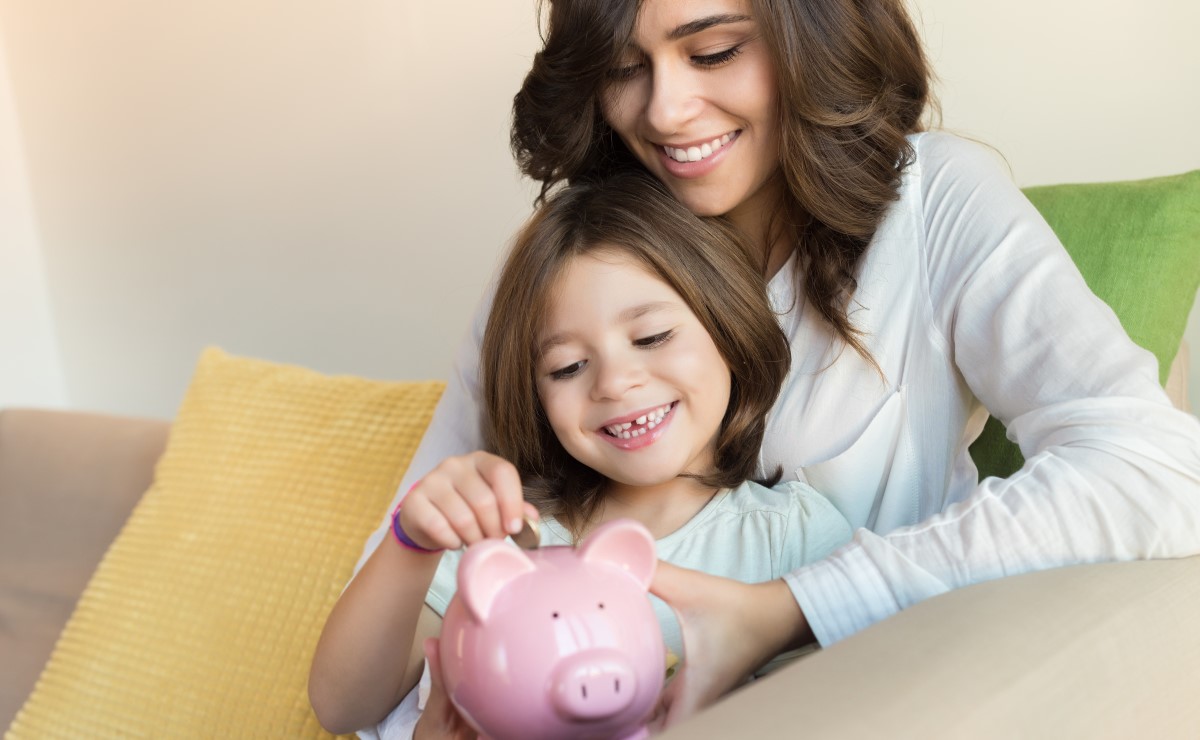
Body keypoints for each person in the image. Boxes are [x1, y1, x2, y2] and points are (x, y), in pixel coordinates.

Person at [346, 0, 1200, 732]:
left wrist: (790, 610)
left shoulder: (933, 207)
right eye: (622, 67)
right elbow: (389, 651)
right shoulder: (566, 269)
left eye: (714, 50)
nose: (667, 112)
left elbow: (1160, 471)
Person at [308, 169, 854, 737]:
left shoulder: (790, 536)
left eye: (651, 338)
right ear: (536, 394)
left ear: (730, 327)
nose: (614, 383)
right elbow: (343, 707)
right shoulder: (511, 537)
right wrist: (411, 542)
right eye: (567, 367)